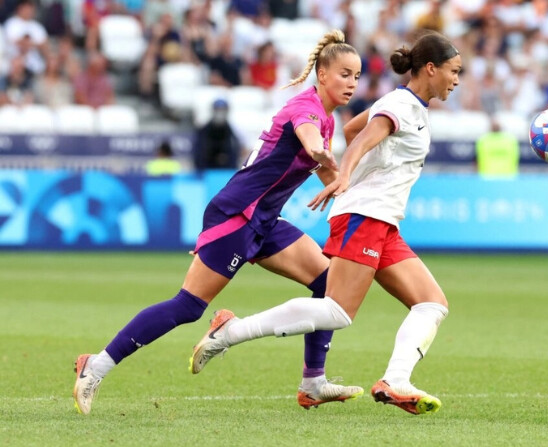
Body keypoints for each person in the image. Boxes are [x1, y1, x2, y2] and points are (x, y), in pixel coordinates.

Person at [73, 29, 363, 415]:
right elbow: (310, 144)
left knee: (328, 283)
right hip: (237, 214)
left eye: (357, 76)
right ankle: (95, 366)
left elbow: (331, 178)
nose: (352, 83)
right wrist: (323, 155)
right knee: (188, 306)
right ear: (322, 75)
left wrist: (357, 196)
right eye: (345, 73)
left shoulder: (326, 120)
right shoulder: (305, 109)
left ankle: (313, 383)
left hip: (265, 220)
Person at [190, 31, 461, 416]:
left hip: (383, 222)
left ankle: (396, 380)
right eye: (454, 70)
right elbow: (362, 138)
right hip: (364, 216)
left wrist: (364, 172)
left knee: (432, 304)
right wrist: (347, 176)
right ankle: (229, 332)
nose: (456, 79)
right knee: (337, 310)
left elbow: (353, 131)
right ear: (431, 68)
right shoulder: (401, 104)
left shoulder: (408, 106)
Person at [193, 98, 244, 170]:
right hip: (207, 171)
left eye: (223, 110)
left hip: (226, 172)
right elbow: (198, 154)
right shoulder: (203, 131)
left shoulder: (232, 131)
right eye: (218, 110)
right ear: (213, 110)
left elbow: (234, 153)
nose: (220, 113)